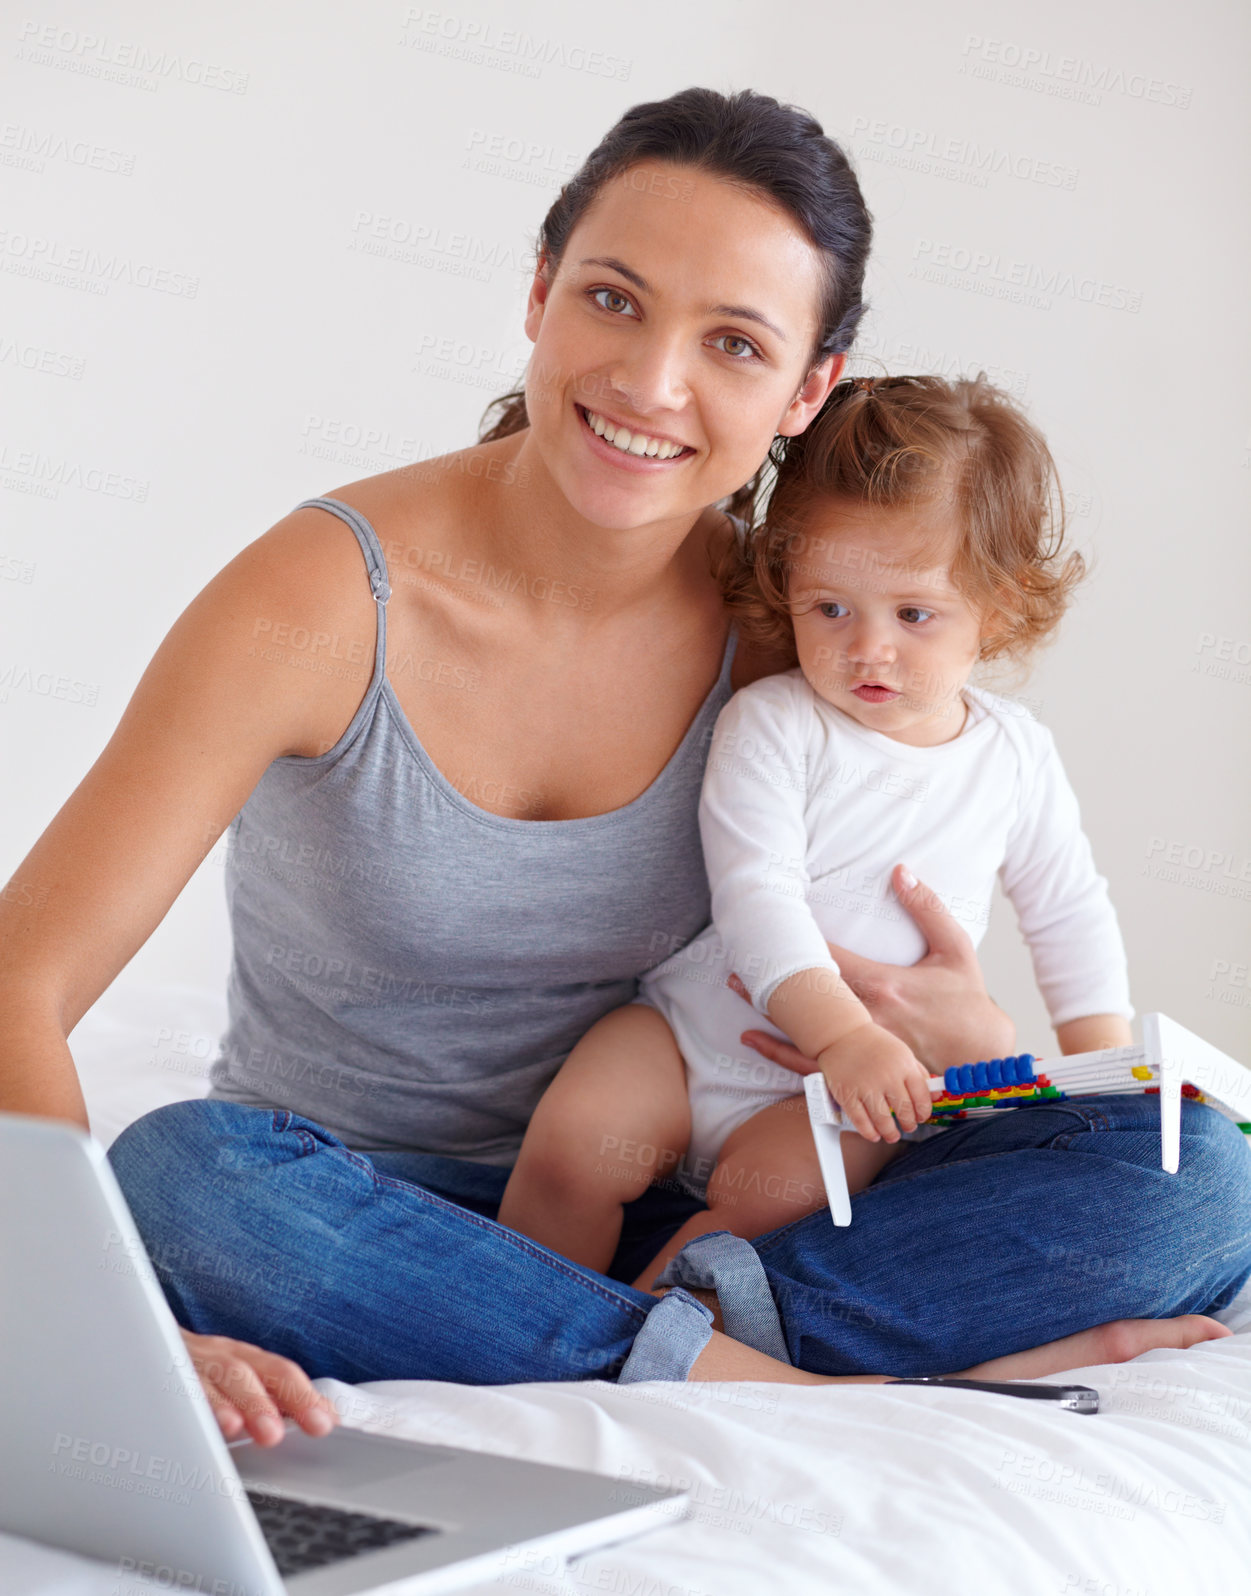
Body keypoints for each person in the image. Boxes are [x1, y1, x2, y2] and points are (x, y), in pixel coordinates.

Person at [1, 89, 1245, 1452]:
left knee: (1200, 1183)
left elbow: (900, 1014)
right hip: (348, 1211)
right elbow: (23, 981)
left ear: (803, 390)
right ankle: (786, 1389)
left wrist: (982, 1058)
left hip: (700, 1201)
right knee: (178, 1179)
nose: (652, 383)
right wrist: (126, 1324)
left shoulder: (794, 635)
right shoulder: (320, 600)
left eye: (730, 343)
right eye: (611, 299)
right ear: (538, 294)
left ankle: (648, 1342)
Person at [496, 372, 1137, 1289]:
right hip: (686, 1037)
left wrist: (1102, 1072)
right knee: (572, 1147)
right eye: (829, 607)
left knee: (773, 1207)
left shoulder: (1015, 758)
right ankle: (516, 1310)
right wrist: (842, 1033)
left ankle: (625, 1334)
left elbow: (1069, 911)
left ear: (994, 611)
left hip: (836, 1098)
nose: (866, 648)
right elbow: (756, 892)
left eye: (913, 615)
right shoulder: (775, 722)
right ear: (787, 584)